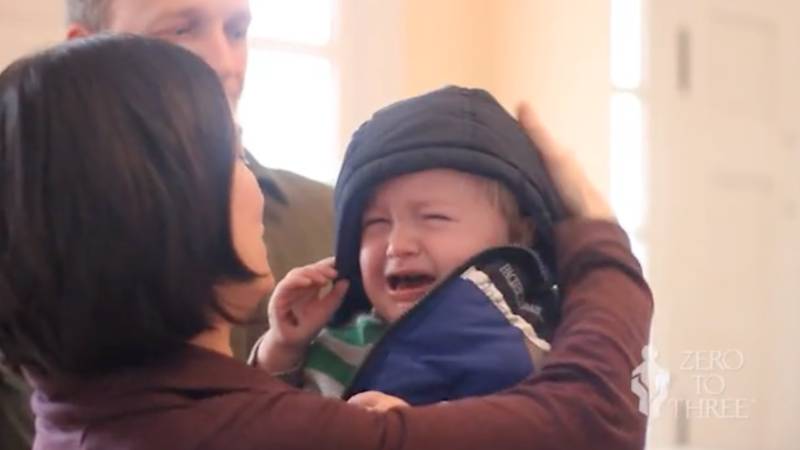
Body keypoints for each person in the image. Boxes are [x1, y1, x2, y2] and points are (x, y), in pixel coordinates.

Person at [0, 35, 653, 449]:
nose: (257, 185)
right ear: (157, 208)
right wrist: (595, 230)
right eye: (233, 158)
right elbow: (595, 418)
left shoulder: (88, 404)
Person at [0, 0, 333, 445]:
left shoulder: (332, 214)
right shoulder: (36, 262)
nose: (224, 63)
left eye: (236, 31)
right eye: (180, 30)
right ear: (88, 50)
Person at [257, 86, 567, 403]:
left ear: (519, 236)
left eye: (433, 217)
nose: (397, 245)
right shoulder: (336, 348)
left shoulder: (544, 345)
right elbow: (263, 426)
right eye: (376, 223)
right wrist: (284, 349)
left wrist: (415, 432)